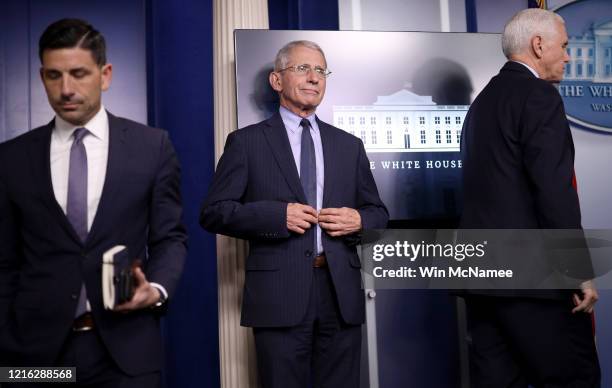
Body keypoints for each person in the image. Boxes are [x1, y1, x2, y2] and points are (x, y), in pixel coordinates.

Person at [0, 18, 187, 387]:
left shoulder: (152, 147)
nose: (66, 88)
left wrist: (157, 289)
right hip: (33, 353)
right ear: (41, 77)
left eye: (78, 73)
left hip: (127, 352)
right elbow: (5, 259)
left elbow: (170, 238)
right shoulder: (11, 159)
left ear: (105, 74)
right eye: (54, 75)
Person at [200, 40, 388, 388]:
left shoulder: (349, 145)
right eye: (303, 68)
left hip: (340, 293)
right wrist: (276, 216)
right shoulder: (246, 142)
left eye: (320, 70)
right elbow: (214, 212)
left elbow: (378, 213)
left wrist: (360, 221)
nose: (314, 77)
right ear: (276, 80)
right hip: (278, 294)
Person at [460, 9, 600, 387]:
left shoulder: (482, 103)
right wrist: (577, 270)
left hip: (481, 276)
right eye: (565, 46)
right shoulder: (539, 97)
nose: (568, 56)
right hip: (533, 280)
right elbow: (553, 190)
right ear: (539, 45)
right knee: (574, 378)